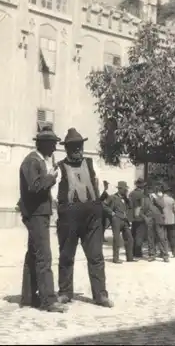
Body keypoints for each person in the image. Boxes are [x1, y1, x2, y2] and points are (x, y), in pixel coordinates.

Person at [55, 128, 113, 308]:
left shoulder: (92, 164)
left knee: (96, 256)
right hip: (68, 219)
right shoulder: (58, 167)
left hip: (92, 220)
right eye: (73, 147)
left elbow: (101, 188)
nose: (77, 150)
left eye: (79, 146)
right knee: (66, 256)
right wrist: (66, 209)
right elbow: (53, 194)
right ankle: (65, 292)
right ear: (66, 149)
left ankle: (100, 295)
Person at [17, 124, 67, 313]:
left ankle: (28, 297)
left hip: (39, 213)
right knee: (44, 256)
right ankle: (48, 300)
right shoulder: (32, 161)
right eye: (53, 144)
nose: (55, 148)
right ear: (44, 145)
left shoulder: (38, 161)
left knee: (33, 255)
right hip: (36, 214)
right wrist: (51, 178)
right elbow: (34, 187)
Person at [104, 181, 135, 264]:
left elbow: (131, 207)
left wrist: (128, 198)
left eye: (126, 190)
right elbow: (104, 205)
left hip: (125, 221)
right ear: (120, 189)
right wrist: (111, 213)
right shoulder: (112, 197)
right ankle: (116, 258)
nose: (126, 191)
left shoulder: (125, 198)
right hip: (116, 220)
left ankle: (130, 257)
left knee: (130, 239)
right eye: (125, 189)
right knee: (116, 240)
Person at [142, 184, 169, 262]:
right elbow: (142, 211)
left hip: (158, 220)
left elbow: (162, 205)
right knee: (150, 238)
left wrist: (155, 198)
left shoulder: (159, 197)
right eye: (148, 190)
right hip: (150, 220)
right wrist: (145, 218)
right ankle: (152, 255)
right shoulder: (145, 199)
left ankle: (165, 255)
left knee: (161, 238)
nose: (149, 192)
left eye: (151, 190)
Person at [129, 178, 147, 259]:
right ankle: (138, 253)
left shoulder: (131, 193)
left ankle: (132, 251)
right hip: (140, 217)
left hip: (132, 217)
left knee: (133, 234)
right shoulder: (141, 194)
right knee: (139, 235)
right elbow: (142, 206)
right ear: (142, 186)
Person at [161, 186, 175, 258]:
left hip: (162, 221)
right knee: (172, 237)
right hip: (171, 221)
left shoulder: (160, 200)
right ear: (168, 192)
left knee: (163, 237)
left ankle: (163, 253)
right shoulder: (172, 200)